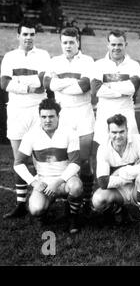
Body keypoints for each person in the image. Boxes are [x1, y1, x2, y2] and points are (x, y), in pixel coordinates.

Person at [1, 20, 50, 219]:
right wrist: (29, 86)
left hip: (38, 112)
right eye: (25, 34)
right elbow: (4, 83)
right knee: (19, 159)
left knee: (42, 159)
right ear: (18, 35)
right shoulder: (10, 57)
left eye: (32, 34)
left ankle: (45, 199)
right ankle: (20, 203)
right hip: (16, 113)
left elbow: (43, 82)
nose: (28, 38)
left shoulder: (44, 55)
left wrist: (18, 81)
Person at [44, 27, 95, 212]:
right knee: (67, 160)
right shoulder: (54, 61)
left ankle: (87, 200)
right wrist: (70, 83)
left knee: (85, 161)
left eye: (71, 42)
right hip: (63, 115)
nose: (68, 45)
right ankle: (71, 199)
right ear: (60, 43)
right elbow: (48, 84)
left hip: (83, 114)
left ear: (78, 42)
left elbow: (84, 86)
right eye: (64, 42)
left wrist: (60, 83)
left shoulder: (88, 61)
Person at [13, 98, 83, 234]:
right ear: (39, 117)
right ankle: (45, 210)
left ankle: (73, 216)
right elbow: (18, 163)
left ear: (58, 117)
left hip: (65, 180)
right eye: (43, 117)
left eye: (51, 116)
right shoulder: (31, 135)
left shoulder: (70, 132)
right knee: (35, 209)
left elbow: (75, 163)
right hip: (44, 181)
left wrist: (57, 182)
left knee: (76, 187)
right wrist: (34, 183)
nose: (47, 120)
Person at [92, 114, 140, 239]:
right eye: (114, 132)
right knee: (97, 199)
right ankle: (118, 210)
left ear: (127, 130)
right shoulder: (103, 148)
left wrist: (119, 172)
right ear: (108, 132)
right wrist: (133, 170)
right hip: (118, 191)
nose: (118, 136)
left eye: (122, 132)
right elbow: (103, 182)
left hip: (136, 187)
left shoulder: (137, 139)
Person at [91, 30, 140, 159]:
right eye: (113, 44)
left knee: (131, 148)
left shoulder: (134, 65)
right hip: (105, 112)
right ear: (108, 45)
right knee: (103, 150)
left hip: (126, 111)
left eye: (120, 44)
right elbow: (97, 90)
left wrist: (108, 86)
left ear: (126, 45)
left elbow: (132, 88)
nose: (116, 48)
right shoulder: (98, 65)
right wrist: (122, 90)